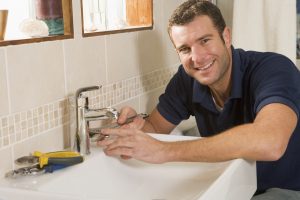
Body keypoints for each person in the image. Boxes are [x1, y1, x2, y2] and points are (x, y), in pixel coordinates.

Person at [98, 0, 300, 199]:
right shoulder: (187, 80)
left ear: (226, 36)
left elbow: (270, 142)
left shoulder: (273, 69)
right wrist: (134, 127)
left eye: (205, 40)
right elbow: (155, 128)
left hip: (285, 189)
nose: (197, 58)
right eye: (185, 49)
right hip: (235, 184)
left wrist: (165, 151)